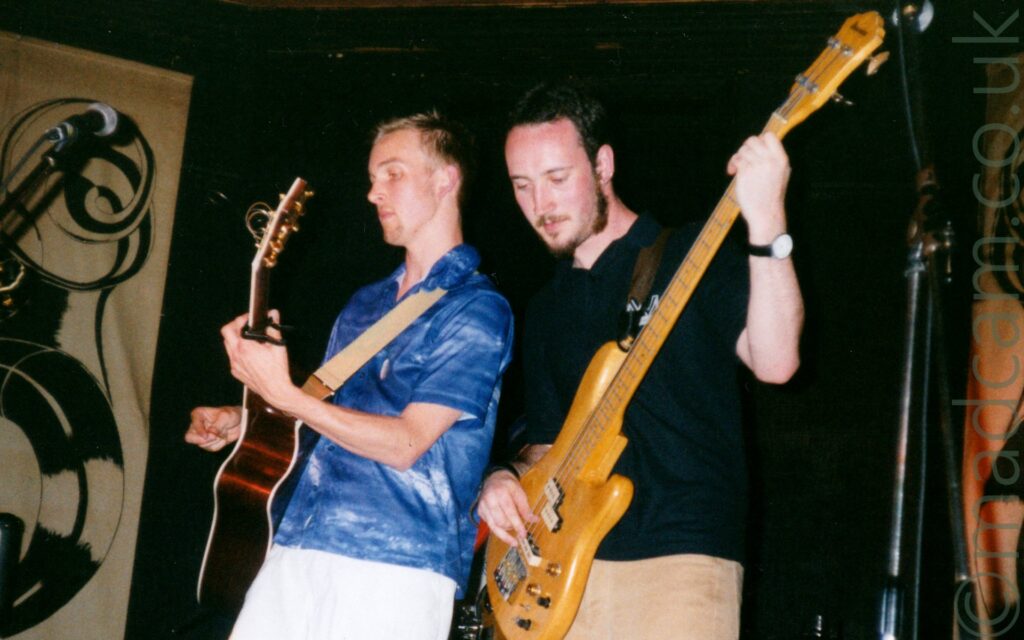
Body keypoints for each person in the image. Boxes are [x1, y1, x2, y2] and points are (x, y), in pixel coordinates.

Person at [475, 83, 803, 639]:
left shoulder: (688, 254)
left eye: (557, 179)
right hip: (566, 575)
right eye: (523, 186)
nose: (541, 206)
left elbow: (776, 361)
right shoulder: (547, 306)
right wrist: (503, 478)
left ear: (602, 164)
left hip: (679, 560)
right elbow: (548, 445)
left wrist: (768, 218)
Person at [185, 111, 514, 640]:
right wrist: (249, 419)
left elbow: (408, 443)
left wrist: (286, 396)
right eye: (371, 178)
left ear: (444, 180)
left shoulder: (475, 309)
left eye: (392, 174)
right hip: (300, 539)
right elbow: (326, 420)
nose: (372, 192)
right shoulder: (366, 305)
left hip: (396, 565)